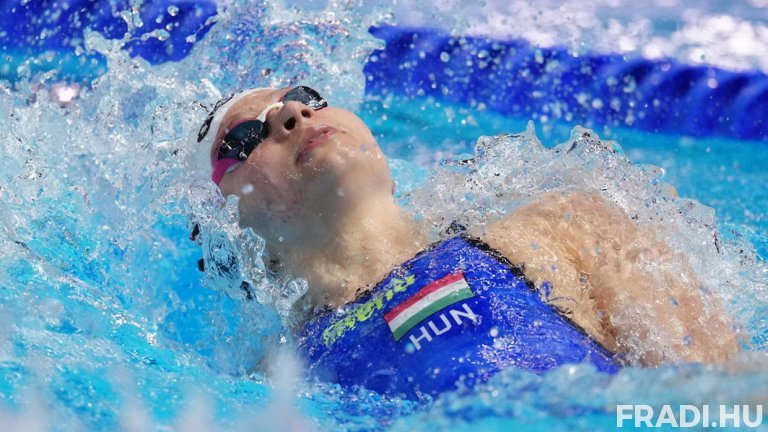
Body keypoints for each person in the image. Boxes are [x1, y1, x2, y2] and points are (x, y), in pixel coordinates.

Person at [191, 85, 739, 398]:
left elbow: (716, 395)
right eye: (245, 137)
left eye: (305, 95)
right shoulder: (274, 378)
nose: (293, 113)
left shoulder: (563, 229)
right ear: (226, 228)